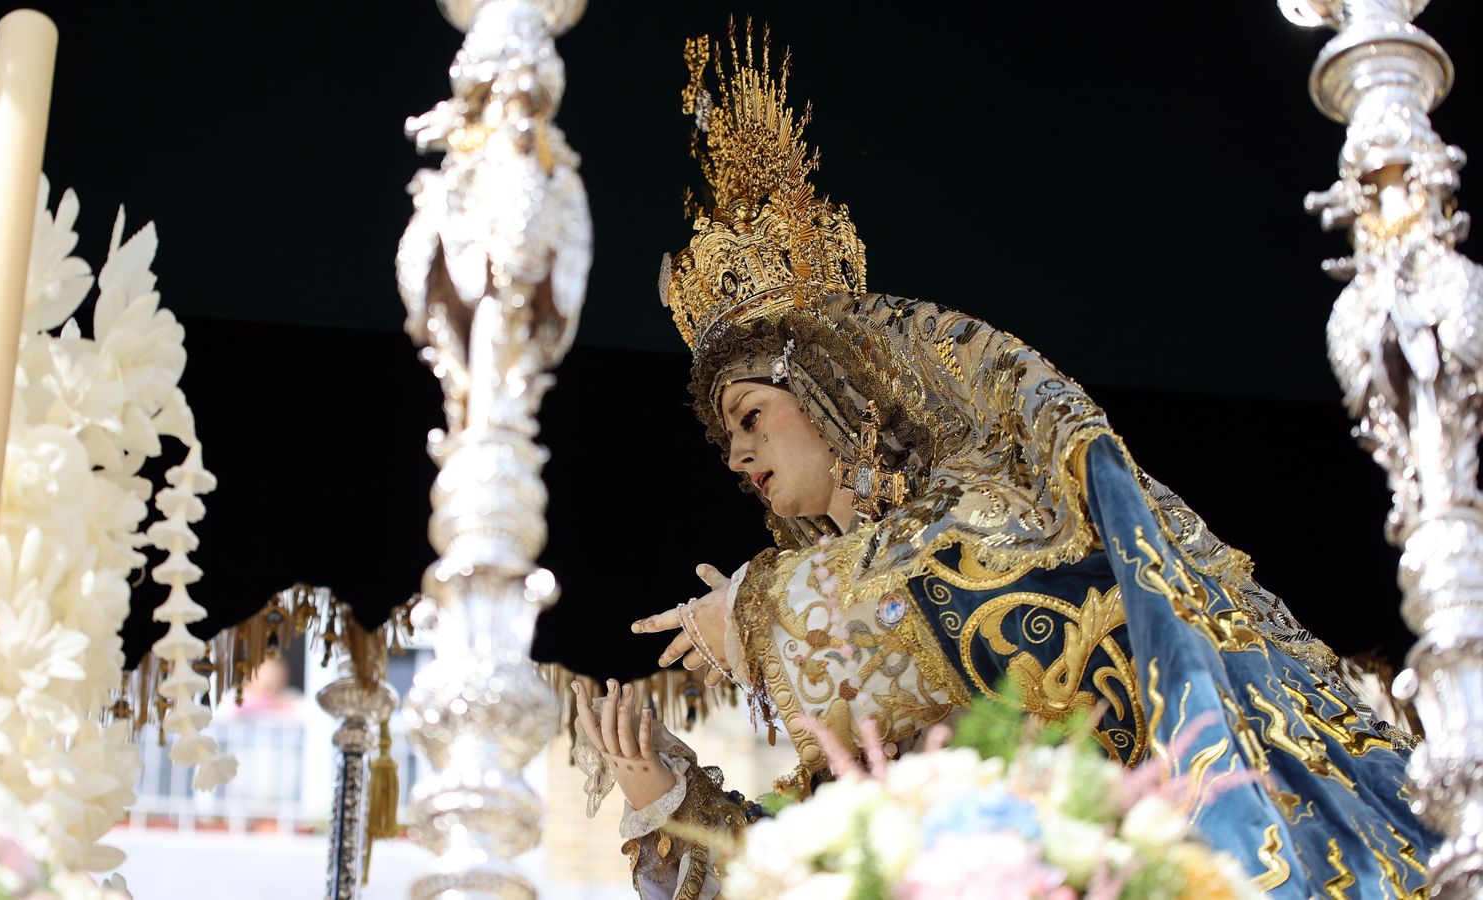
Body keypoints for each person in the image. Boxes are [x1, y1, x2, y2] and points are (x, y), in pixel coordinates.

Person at [571, 29, 1438, 899]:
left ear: (827, 391)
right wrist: (669, 798)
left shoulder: (990, 509)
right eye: (726, 440)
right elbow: (824, 859)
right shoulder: (869, 677)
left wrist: (769, 613)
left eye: (750, 415)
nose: (739, 454)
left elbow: (1038, 601)